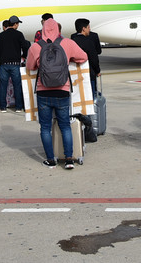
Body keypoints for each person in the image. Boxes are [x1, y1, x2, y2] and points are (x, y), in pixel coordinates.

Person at [26, 18, 87, 169]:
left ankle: (50, 160)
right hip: (62, 90)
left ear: (43, 29)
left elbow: (29, 66)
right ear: (58, 29)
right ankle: (68, 159)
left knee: (45, 128)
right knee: (65, 126)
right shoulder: (67, 43)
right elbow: (83, 57)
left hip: (43, 92)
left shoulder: (36, 46)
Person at [0, 15, 30, 113]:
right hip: (15, 64)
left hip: (4, 64)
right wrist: (24, 56)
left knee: (3, 86)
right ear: (15, 24)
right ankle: (18, 107)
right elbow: (25, 46)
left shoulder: (1, 35)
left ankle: (3, 107)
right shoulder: (19, 34)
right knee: (17, 85)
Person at [71, 18, 102, 99]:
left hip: (75, 74)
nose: (89, 29)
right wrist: (97, 71)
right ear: (83, 29)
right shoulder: (89, 42)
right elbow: (94, 58)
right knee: (90, 96)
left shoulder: (72, 40)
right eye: (88, 27)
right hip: (88, 73)